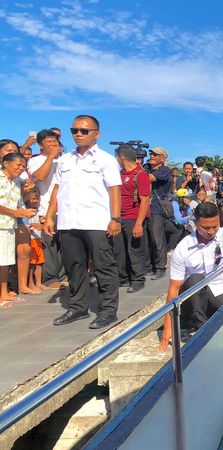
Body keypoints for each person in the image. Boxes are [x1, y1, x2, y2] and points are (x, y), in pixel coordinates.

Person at [44, 114, 122, 329]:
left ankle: (107, 310)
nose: (78, 134)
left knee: (103, 266)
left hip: (96, 222)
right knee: (74, 266)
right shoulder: (65, 160)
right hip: (69, 222)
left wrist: (115, 218)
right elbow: (57, 189)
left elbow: (115, 189)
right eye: (74, 130)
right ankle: (78, 307)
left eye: (84, 130)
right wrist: (50, 216)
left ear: (97, 134)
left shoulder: (105, 159)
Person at [158, 202, 223, 352]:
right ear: (196, 223)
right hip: (192, 296)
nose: (211, 232)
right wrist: (168, 329)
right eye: (206, 228)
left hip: (219, 290)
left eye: (215, 226)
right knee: (196, 279)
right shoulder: (183, 248)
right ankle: (202, 332)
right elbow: (174, 288)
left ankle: (212, 318)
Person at [27, 129, 65, 287]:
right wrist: (50, 156)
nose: (53, 144)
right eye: (49, 142)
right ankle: (50, 278)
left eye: (55, 141)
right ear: (40, 145)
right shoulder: (34, 161)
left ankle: (63, 275)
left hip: (64, 209)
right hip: (44, 209)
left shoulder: (64, 160)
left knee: (64, 245)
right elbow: (40, 177)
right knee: (48, 245)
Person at [113, 144, 151, 293]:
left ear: (122, 158)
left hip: (133, 218)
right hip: (119, 218)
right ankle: (123, 278)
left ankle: (137, 280)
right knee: (119, 251)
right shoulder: (119, 174)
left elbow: (145, 200)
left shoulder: (140, 175)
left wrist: (139, 224)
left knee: (135, 251)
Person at [0, 153, 36, 309]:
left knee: (5, 261)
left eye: (23, 166)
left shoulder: (17, 182)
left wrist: (28, 192)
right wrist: (15, 213)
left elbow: (20, 203)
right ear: (5, 163)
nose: (21, 169)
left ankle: (4, 293)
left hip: (9, 226)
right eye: (18, 165)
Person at [145, 147, 171, 280]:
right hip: (145, 208)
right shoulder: (146, 168)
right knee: (147, 239)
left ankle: (160, 267)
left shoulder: (164, 170)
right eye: (151, 154)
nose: (152, 156)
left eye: (155, 154)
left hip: (156, 208)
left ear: (163, 158)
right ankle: (150, 266)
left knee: (157, 239)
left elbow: (147, 179)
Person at [22, 189, 47, 291]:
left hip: (38, 240)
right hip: (30, 240)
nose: (35, 201)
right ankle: (30, 283)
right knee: (31, 264)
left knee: (39, 263)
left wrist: (40, 222)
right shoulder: (25, 211)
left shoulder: (36, 211)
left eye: (36, 198)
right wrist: (33, 225)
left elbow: (36, 222)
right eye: (32, 198)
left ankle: (39, 283)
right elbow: (25, 224)